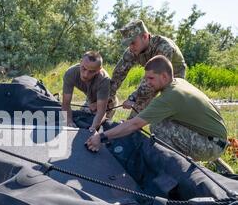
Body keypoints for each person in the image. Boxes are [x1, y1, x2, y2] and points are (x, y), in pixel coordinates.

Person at [87, 55, 228, 162]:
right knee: (157, 120)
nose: (147, 83)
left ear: (164, 76)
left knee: (158, 126)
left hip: (212, 145)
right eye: (146, 79)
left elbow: (135, 124)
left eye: (151, 78)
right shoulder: (178, 83)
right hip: (214, 139)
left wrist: (101, 136)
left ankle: (174, 166)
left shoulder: (171, 96)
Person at [111, 20, 187, 117]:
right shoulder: (134, 49)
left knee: (151, 98)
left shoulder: (163, 46)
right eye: (128, 44)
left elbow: (152, 81)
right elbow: (118, 73)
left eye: (133, 42)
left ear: (145, 36)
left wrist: (132, 98)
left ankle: (131, 126)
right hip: (153, 77)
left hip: (174, 78)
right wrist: (107, 95)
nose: (130, 47)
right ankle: (128, 126)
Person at [61, 51, 119, 131]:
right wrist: (69, 121)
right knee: (82, 119)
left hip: (108, 100)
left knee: (101, 129)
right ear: (80, 63)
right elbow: (66, 103)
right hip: (90, 99)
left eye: (91, 71)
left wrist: (93, 128)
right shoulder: (71, 73)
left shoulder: (104, 80)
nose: (85, 74)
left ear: (99, 70)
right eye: (84, 68)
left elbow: (101, 112)